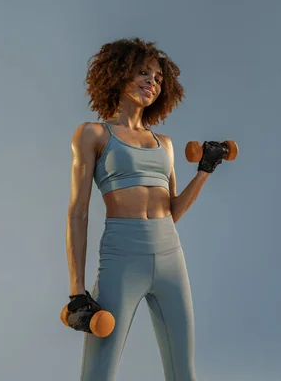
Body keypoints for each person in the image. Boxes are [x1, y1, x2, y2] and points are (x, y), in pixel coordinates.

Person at [65, 38, 228, 381]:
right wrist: (76, 292)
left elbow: (172, 210)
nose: (151, 82)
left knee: (183, 371)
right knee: (98, 371)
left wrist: (205, 170)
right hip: (122, 257)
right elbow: (78, 213)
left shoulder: (164, 144)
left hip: (171, 255)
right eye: (142, 72)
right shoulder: (94, 134)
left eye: (157, 78)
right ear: (119, 74)